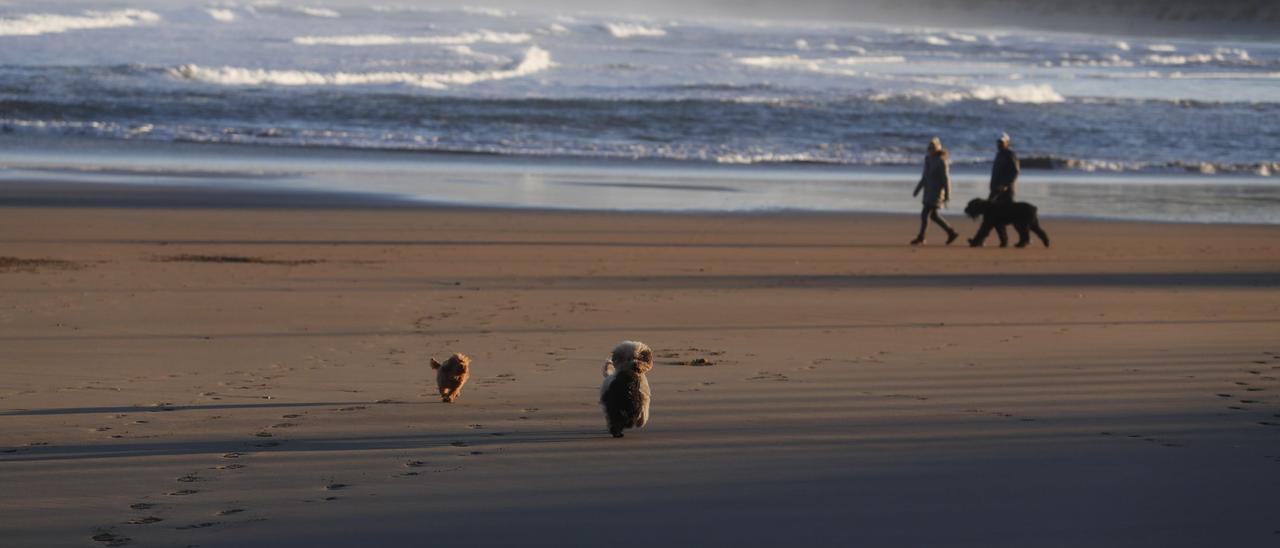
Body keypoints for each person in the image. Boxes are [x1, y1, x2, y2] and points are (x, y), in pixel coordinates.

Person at [910, 137, 959, 246]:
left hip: (936, 193)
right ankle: (951, 232)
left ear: (937, 150)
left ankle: (921, 237)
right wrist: (917, 189)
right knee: (934, 216)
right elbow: (925, 177)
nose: (930, 150)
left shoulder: (941, 162)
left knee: (925, 214)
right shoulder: (928, 160)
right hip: (928, 192)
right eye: (929, 148)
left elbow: (946, 179)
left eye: (932, 148)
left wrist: (947, 194)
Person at [989, 132, 1020, 203]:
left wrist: (1005, 184)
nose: (999, 144)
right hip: (996, 188)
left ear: (1007, 142)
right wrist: (992, 185)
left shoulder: (1010, 154)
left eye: (1002, 142)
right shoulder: (999, 154)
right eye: (998, 142)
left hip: (1005, 190)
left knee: (1006, 212)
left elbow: (1015, 171)